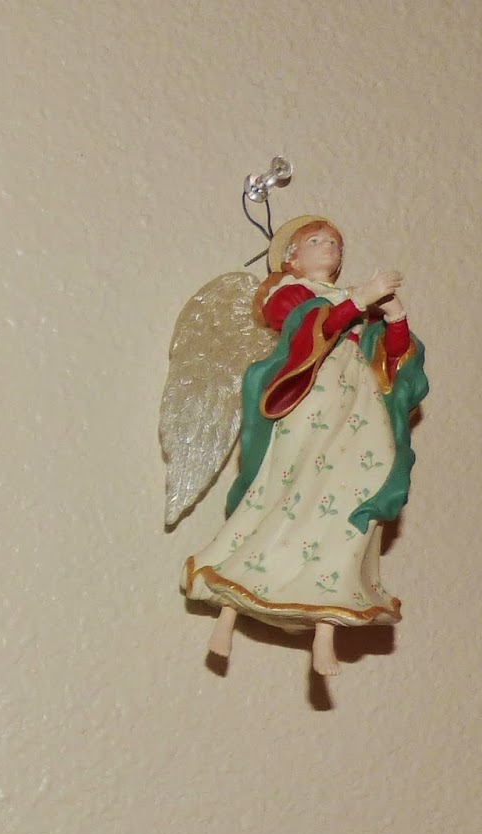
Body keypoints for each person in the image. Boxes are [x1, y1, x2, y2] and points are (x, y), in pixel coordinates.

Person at [183, 215, 428, 676]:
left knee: (351, 505)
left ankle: (325, 631)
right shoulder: (290, 292)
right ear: (292, 257)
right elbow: (307, 330)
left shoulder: (356, 302)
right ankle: (228, 613)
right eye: (316, 240)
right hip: (309, 401)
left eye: (335, 242)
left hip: (358, 413)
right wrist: (360, 299)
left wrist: (394, 316)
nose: (329, 246)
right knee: (283, 498)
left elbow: (392, 360)